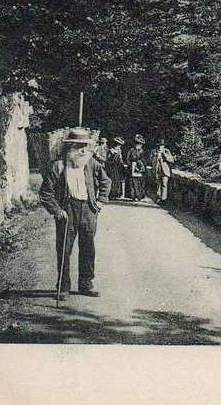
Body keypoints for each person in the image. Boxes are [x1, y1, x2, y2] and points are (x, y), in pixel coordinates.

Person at [39, 127, 111, 298]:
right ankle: (63, 287)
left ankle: (86, 284)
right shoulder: (58, 165)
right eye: (79, 146)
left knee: (88, 248)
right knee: (64, 249)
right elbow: (45, 192)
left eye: (85, 146)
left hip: (88, 210)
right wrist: (56, 210)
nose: (83, 150)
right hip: (67, 210)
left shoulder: (92, 163)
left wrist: (100, 201)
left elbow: (106, 181)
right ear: (70, 146)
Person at [153, 137, 176, 203]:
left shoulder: (167, 151)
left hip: (165, 171)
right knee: (158, 184)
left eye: (162, 145)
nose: (160, 147)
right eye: (159, 145)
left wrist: (164, 154)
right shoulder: (155, 152)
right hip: (158, 170)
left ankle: (164, 199)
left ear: (164, 146)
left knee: (164, 184)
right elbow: (152, 160)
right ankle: (158, 197)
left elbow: (171, 160)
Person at [126, 134, 146, 201]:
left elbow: (144, 160)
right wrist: (130, 166)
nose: (138, 145)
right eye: (137, 143)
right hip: (132, 166)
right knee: (132, 182)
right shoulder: (131, 150)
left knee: (139, 182)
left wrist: (141, 166)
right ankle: (133, 196)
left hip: (139, 167)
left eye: (140, 144)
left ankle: (139, 196)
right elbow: (128, 159)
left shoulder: (142, 151)